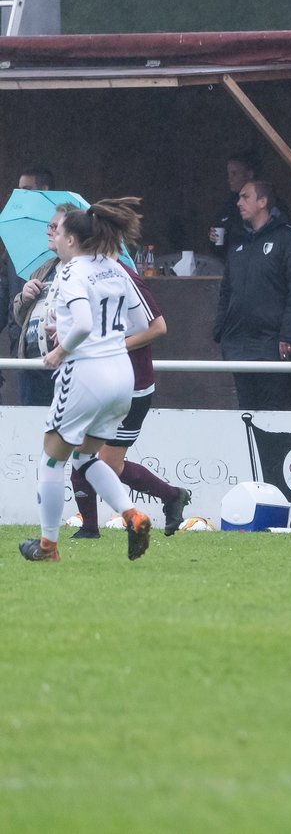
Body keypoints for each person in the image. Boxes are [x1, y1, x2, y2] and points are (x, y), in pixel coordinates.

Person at [19, 197, 154, 563]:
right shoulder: (116, 268)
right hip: (121, 377)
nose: (55, 238)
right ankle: (133, 515)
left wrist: (60, 351)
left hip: (86, 375)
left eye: (58, 232)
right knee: (85, 458)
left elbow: (82, 324)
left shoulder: (70, 270)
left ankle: (47, 547)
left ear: (73, 240)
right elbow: (141, 325)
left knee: (50, 461)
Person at [69, 255, 192, 540]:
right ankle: (90, 528)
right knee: (88, 456)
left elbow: (158, 327)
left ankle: (170, 497)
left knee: (96, 460)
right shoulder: (83, 276)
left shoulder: (124, 276)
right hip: (100, 380)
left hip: (131, 386)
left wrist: (113, 346)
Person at [212, 180, 291, 411]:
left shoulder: (288, 239)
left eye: (245, 197)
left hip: (271, 345)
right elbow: (226, 290)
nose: (238, 203)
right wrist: (221, 331)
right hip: (238, 344)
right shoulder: (238, 242)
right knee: (245, 411)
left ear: (263, 202)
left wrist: (289, 335)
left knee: (272, 413)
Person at [6, 166, 59, 404]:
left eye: (27, 189)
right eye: (18, 190)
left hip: (63, 352)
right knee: (32, 424)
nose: (21, 195)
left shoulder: (75, 247)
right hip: (26, 348)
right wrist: (23, 297)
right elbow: (6, 291)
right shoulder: (16, 235)